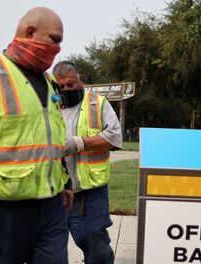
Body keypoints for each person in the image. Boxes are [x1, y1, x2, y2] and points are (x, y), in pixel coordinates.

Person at [0, 7, 73, 263]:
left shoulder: (50, 82)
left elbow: (53, 139)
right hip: (5, 209)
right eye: (54, 40)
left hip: (51, 207)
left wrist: (65, 184)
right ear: (30, 32)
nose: (58, 49)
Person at [53, 61, 122, 264]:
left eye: (71, 84)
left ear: (80, 80)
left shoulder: (97, 104)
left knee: (94, 242)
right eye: (62, 86)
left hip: (89, 191)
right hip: (54, 190)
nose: (67, 89)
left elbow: (115, 139)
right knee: (49, 246)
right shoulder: (50, 106)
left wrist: (80, 143)